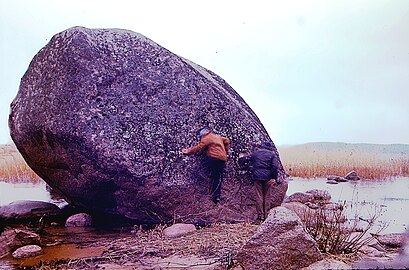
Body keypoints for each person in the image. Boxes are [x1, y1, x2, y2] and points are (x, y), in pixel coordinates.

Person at [182, 128, 230, 203]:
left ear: (202, 135)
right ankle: (216, 197)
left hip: (214, 158)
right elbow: (227, 140)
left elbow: (199, 147)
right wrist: (226, 151)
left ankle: (211, 193)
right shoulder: (217, 136)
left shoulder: (206, 137)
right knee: (218, 177)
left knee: (211, 173)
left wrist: (188, 151)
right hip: (223, 159)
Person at [240, 141, 280, 221]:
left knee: (259, 196)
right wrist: (273, 178)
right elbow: (275, 166)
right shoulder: (272, 154)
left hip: (257, 177)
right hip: (268, 177)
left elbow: (246, 160)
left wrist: (241, 157)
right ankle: (267, 215)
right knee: (267, 196)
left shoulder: (256, 153)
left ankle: (260, 216)